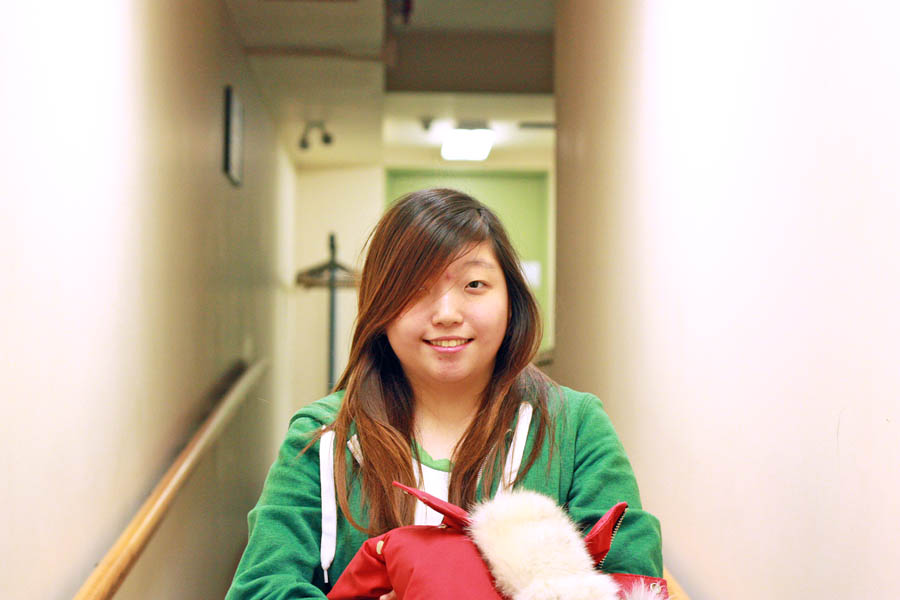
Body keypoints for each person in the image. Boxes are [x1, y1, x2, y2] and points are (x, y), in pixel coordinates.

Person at [225, 189, 663, 599]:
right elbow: (259, 587)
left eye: (474, 285)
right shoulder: (325, 436)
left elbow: (632, 579)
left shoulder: (575, 426)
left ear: (511, 299)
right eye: (416, 288)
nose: (447, 314)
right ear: (381, 306)